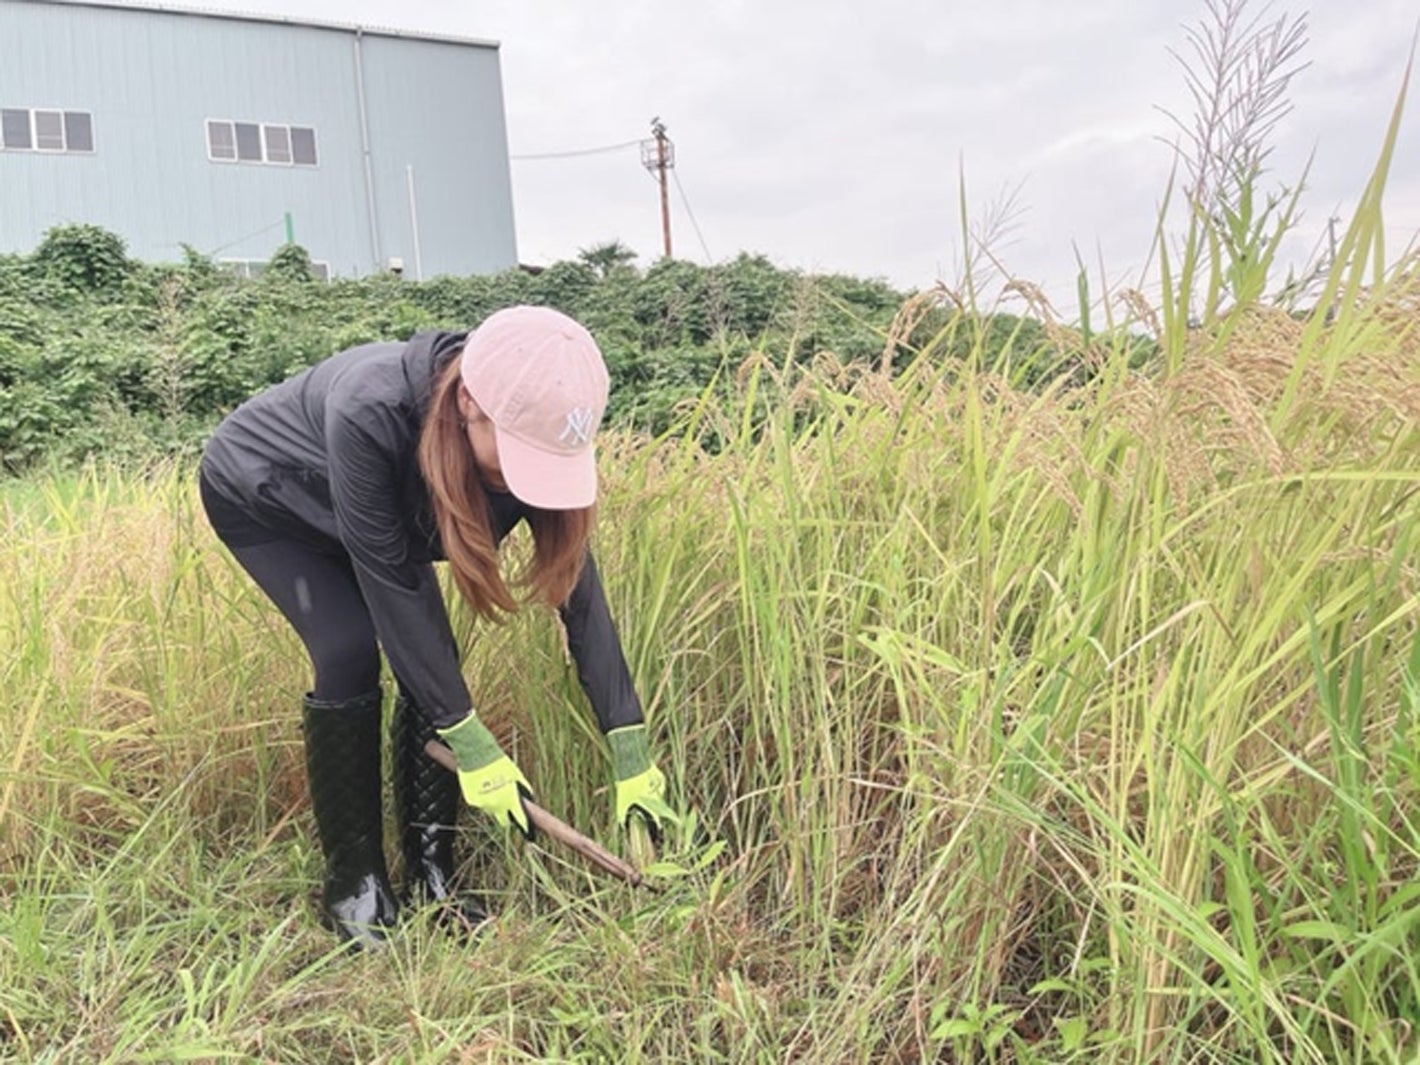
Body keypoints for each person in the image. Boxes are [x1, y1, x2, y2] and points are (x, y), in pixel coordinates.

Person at [198, 305, 680, 949]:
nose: (523, 483)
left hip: (377, 511)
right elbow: (394, 587)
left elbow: (579, 595)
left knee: (433, 660)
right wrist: (474, 747)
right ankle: (354, 883)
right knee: (348, 650)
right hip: (269, 491)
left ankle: (432, 873)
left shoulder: (517, 443)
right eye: (516, 459)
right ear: (470, 403)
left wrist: (630, 745)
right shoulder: (370, 409)